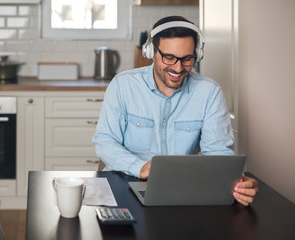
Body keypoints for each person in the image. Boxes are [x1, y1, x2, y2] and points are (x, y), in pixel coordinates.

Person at [92, 16, 258, 206]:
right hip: (124, 184)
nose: (178, 68)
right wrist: (140, 167)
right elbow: (105, 141)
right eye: (169, 57)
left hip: (181, 191)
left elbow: (219, 155)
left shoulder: (209, 92)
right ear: (152, 51)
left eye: (187, 59)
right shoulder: (123, 85)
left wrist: (238, 183)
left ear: (197, 54)